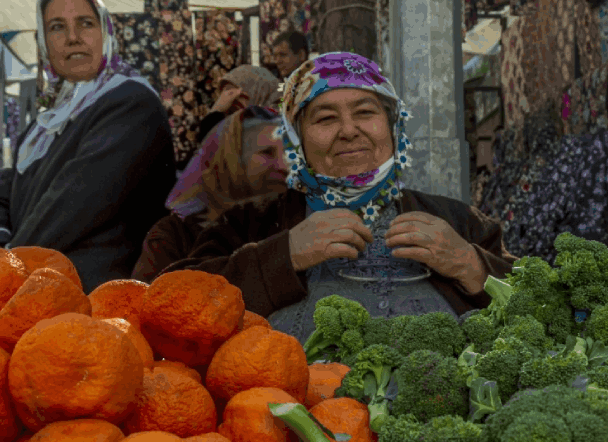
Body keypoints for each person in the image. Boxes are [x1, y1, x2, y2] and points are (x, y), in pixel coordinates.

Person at [160, 51, 517, 342]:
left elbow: (538, 309)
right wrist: (284, 255)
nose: (349, 131)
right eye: (326, 118)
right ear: (297, 139)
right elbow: (171, 304)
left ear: (392, 126)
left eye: (365, 113)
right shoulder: (249, 223)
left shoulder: (458, 222)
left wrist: (470, 266)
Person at [0, 0, 176, 292]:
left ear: (106, 32)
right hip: (39, 289)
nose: (73, 38)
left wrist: (5, 271)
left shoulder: (131, 103)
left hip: (96, 298)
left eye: (86, 24)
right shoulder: (46, 122)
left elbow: (70, 207)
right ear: (44, 44)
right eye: (57, 27)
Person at [133, 106, 287, 282]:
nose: (283, 166)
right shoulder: (174, 235)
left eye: (288, 153)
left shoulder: (293, 218)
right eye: (267, 153)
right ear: (229, 160)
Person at [192, 65, 282, 156]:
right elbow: (207, 150)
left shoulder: (279, 125)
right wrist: (217, 109)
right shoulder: (241, 130)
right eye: (227, 95)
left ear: (258, 91)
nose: (230, 102)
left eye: (235, 94)